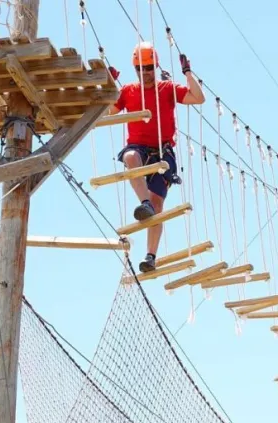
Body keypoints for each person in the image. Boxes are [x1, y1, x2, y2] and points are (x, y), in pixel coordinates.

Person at [106, 42, 205, 273]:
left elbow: (198, 98)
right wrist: (108, 86)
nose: (146, 73)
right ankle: (144, 203)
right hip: (138, 148)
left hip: (162, 152)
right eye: (140, 69)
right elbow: (108, 111)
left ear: (156, 66)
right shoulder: (128, 91)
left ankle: (150, 256)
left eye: (149, 67)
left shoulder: (167, 88)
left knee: (158, 205)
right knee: (130, 157)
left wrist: (188, 73)